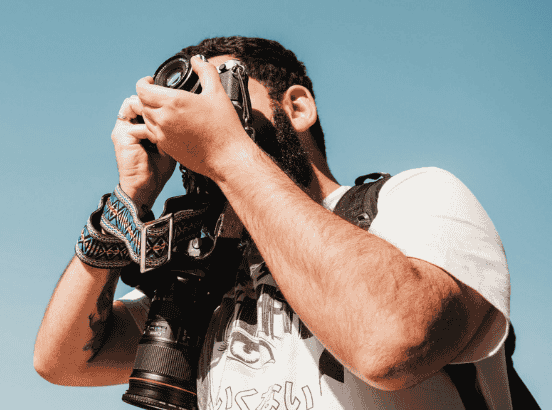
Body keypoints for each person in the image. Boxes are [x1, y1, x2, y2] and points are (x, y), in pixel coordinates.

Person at [33, 36, 511, 409]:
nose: (204, 115)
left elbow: (391, 343)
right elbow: (63, 360)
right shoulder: (207, 277)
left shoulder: (410, 199)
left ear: (297, 107)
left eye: (222, 92)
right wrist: (130, 199)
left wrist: (226, 151)